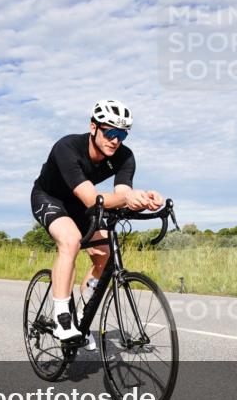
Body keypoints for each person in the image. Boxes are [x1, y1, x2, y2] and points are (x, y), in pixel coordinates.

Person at [30, 100, 163, 348]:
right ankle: (62, 318)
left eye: (121, 134)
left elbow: (122, 193)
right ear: (93, 127)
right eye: (109, 132)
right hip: (50, 198)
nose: (115, 140)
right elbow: (92, 198)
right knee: (70, 241)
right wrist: (126, 198)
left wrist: (143, 200)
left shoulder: (125, 156)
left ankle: (82, 316)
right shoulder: (67, 147)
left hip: (82, 206)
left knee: (105, 254)